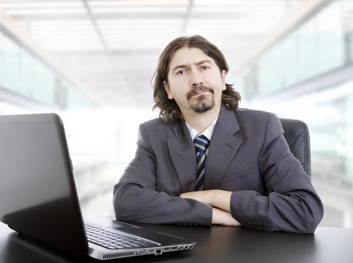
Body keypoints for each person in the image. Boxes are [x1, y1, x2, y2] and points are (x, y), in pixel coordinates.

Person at [113, 35, 323, 233]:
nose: (196, 80)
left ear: (223, 78)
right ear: (168, 89)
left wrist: (214, 196)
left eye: (204, 67)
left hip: (246, 260)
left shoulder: (262, 127)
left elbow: (305, 210)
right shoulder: (153, 134)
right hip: (175, 259)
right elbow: (126, 202)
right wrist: (212, 215)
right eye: (181, 72)